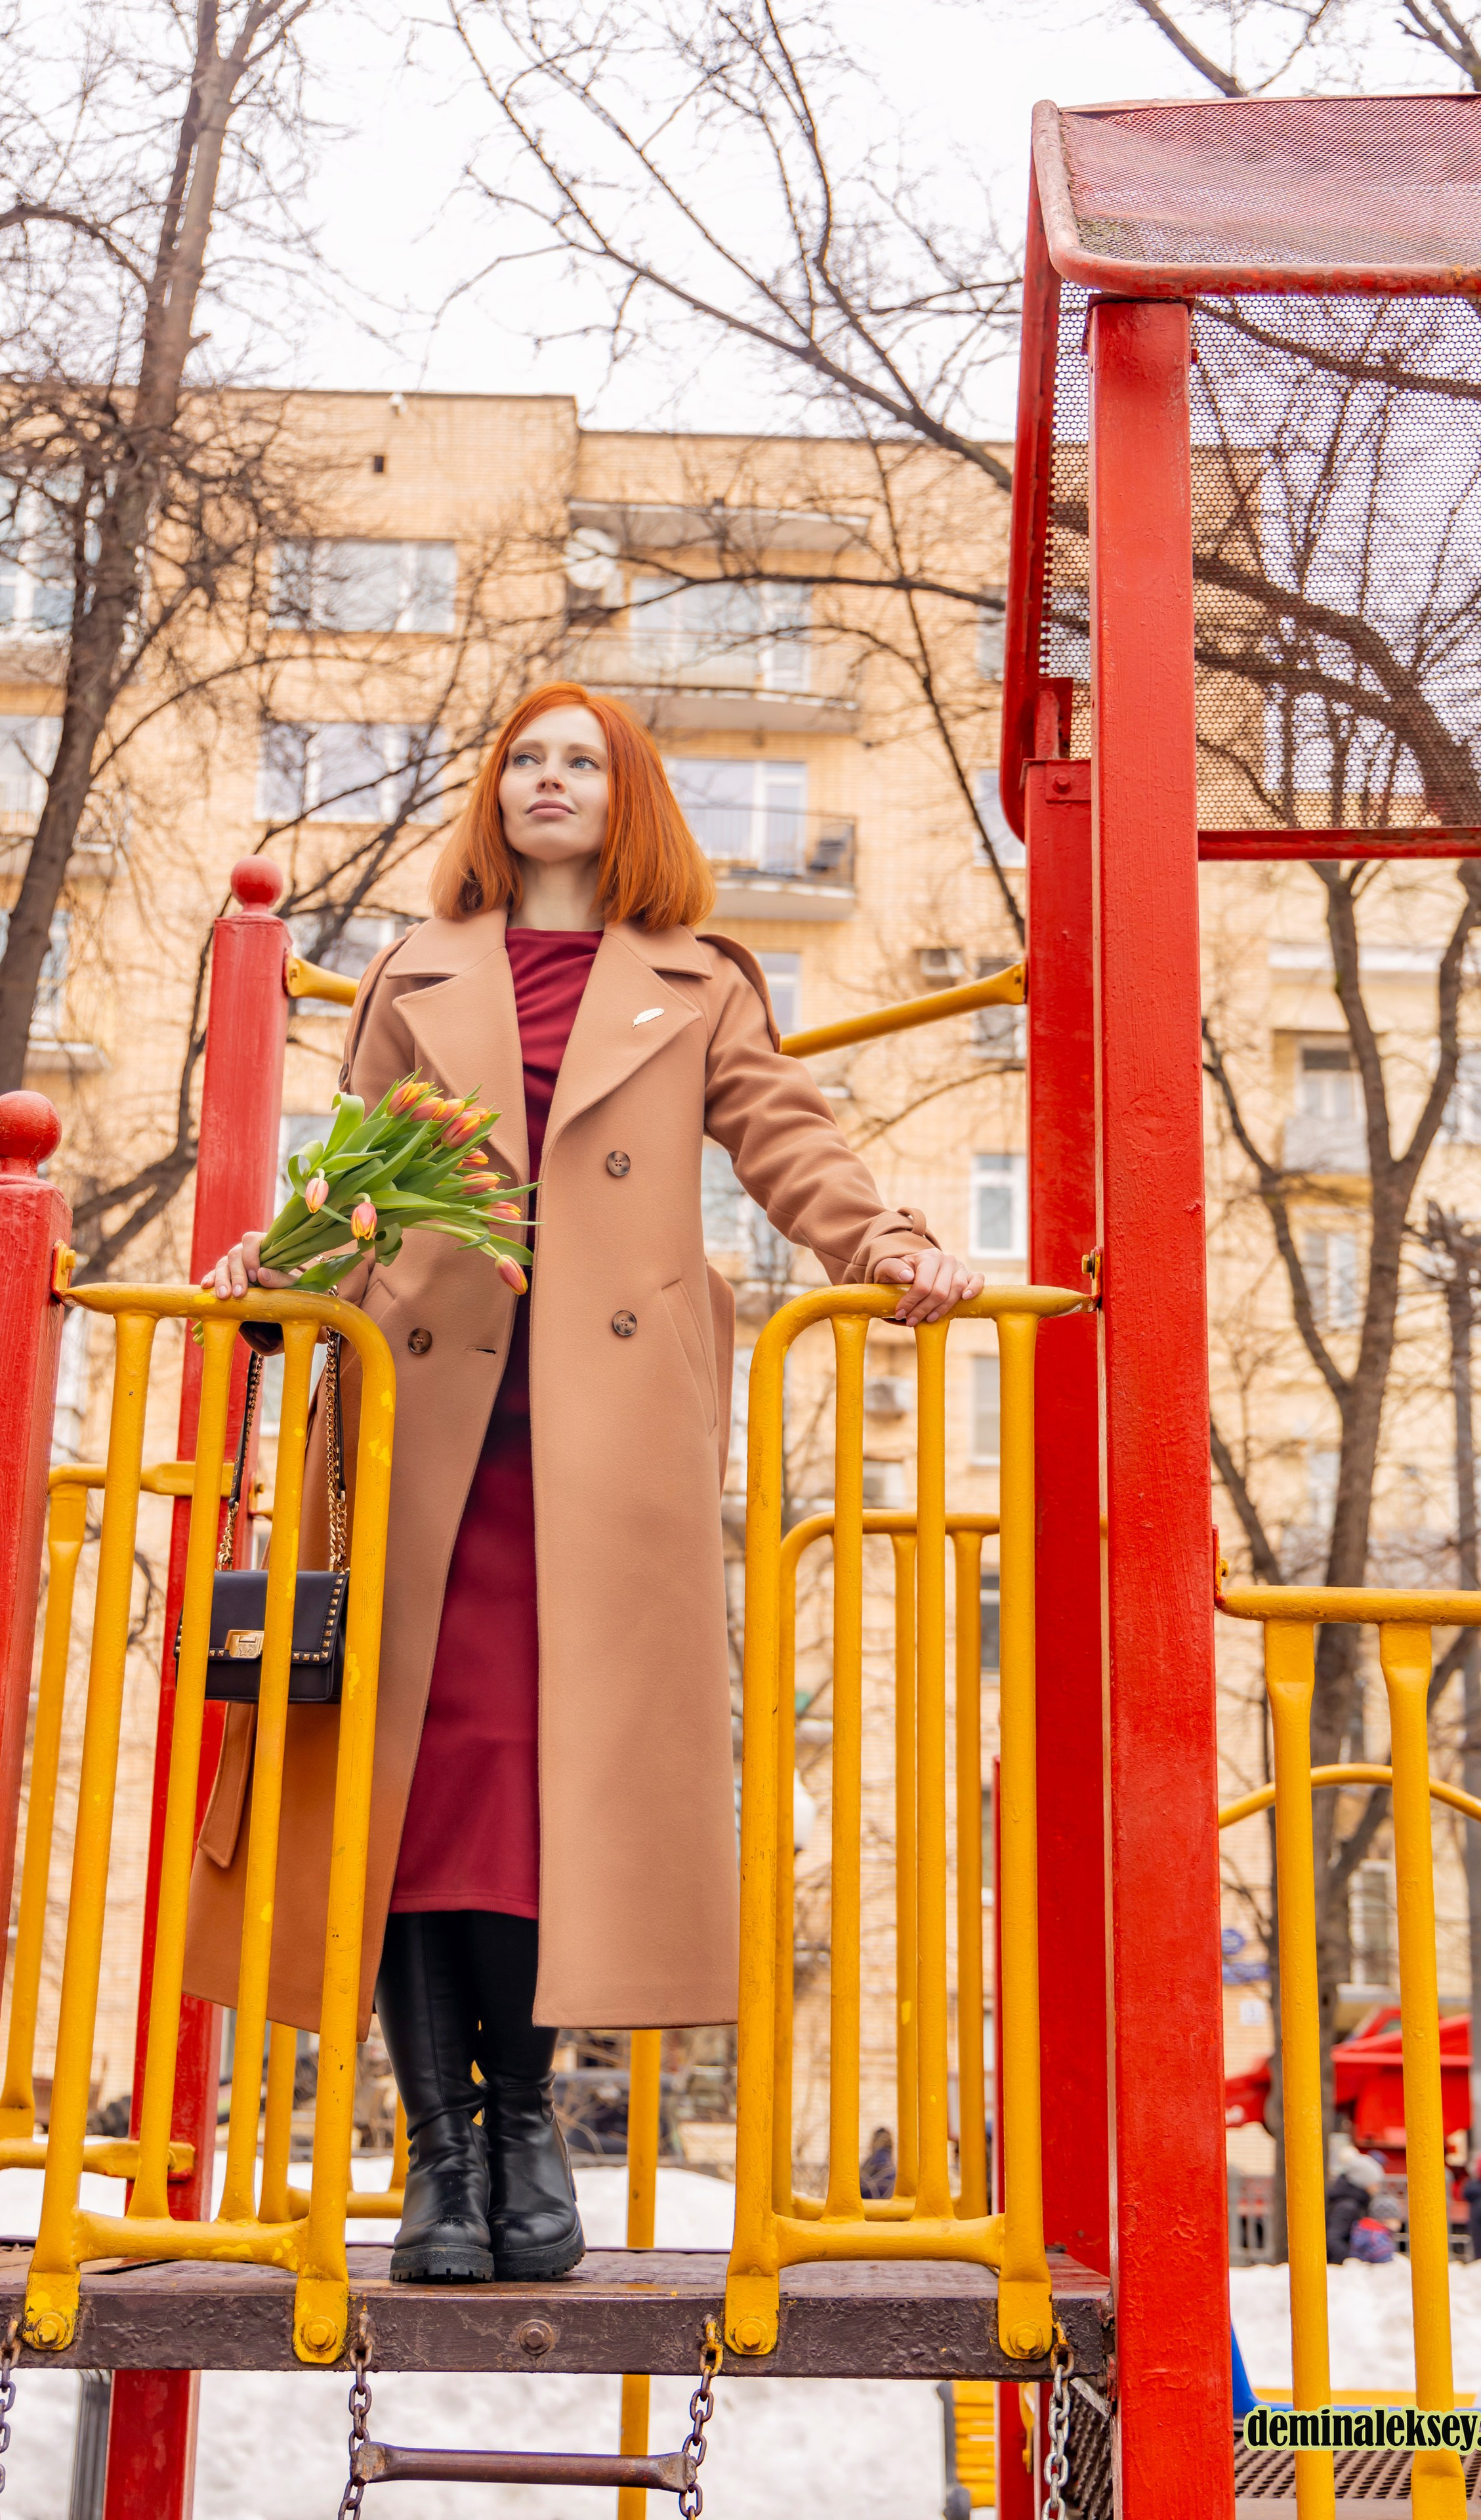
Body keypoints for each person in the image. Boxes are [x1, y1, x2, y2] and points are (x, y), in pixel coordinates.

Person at [184, 683, 982, 2285]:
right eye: (525, 761)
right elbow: (364, 1170)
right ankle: (435, 2149)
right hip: (423, 1424)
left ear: (628, 803)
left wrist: (877, 1239)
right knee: (419, 1779)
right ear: (496, 796)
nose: (549, 782)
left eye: (582, 763)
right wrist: (278, 1264)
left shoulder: (697, 981)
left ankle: (527, 2123)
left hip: (597, 1441)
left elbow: (781, 1131)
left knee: (548, 1784)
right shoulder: (420, 969)